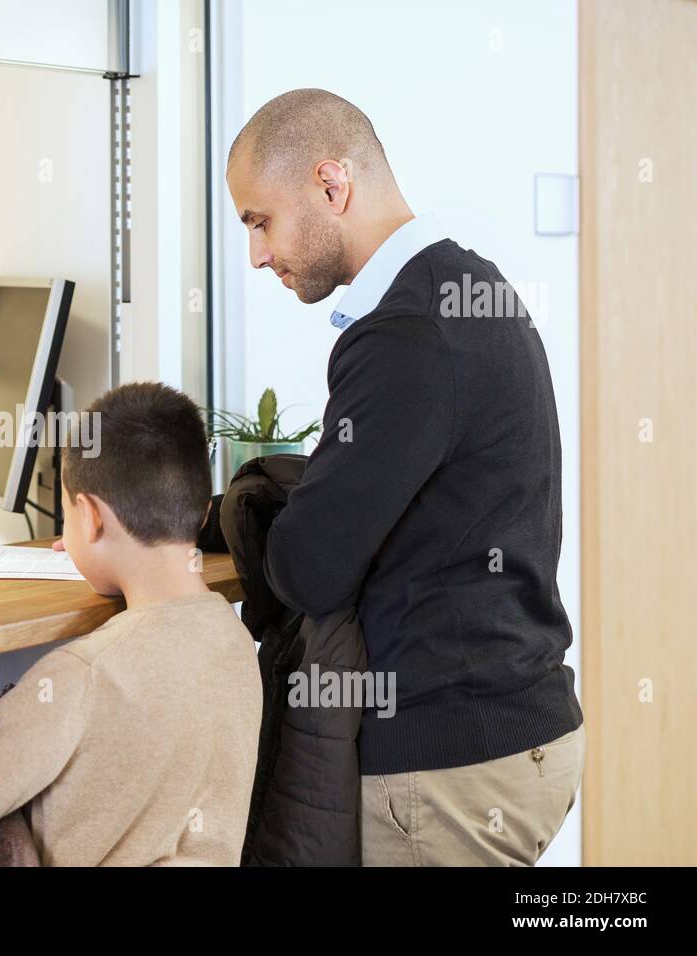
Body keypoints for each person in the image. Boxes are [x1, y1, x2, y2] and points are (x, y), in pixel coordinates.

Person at [225, 88, 584, 865]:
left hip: (453, 764)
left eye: (260, 221)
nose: (256, 254)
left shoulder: (407, 331)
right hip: (517, 729)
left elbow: (309, 570)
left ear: (331, 185)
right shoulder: (466, 287)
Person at [0, 383, 262, 866]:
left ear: (89, 518)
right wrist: (106, 557)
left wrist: (96, 552)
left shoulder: (78, 677)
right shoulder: (238, 644)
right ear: (203, 510)